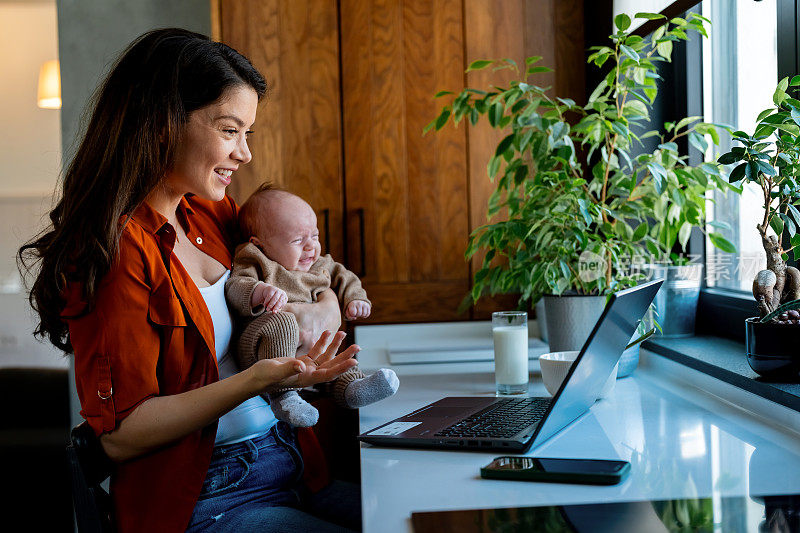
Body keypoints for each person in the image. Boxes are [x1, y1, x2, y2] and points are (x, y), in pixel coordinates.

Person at [19, 28, 362, 533]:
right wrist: (257, 380)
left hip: (291, 459)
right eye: (229, 130)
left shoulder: (211, 212)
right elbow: (120, 436)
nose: (245, 153)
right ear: (162, 124)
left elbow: (303, 270)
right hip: (208, 497)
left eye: (249, 133)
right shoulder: (118, 249)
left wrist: (326, 306)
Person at [225, 185, 399, 427]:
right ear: (261, 244)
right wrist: (259, 292)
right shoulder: (255, 259)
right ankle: (283, 395)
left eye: (315, 236)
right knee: (283, 323)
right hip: (263, 346)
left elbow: (344, 276)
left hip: (308, 347)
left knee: (331, 342)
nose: (311, 247)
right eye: (298, 240)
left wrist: (356, 298)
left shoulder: (318, 263)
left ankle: (351, 387)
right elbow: (236, 285)